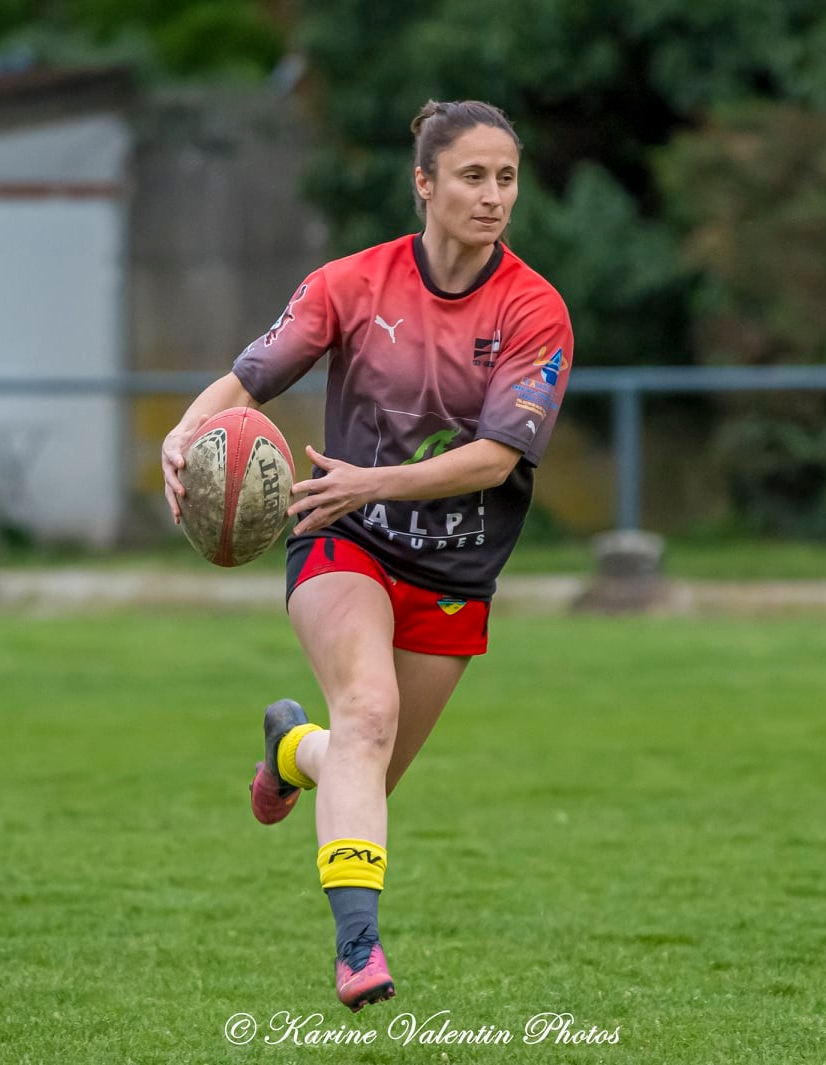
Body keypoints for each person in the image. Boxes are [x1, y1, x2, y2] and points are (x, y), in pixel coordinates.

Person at [160, 99, 573, 1012]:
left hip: (456, 572)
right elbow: (249, 378)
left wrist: (371, 481)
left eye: (506, 177)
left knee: (361, 769)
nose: (493, 195)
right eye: (472, 175)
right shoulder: (351, 283)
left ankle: (291, 749)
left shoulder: (534, 310)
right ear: (424, 182)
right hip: (342, 538)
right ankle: (359, 949)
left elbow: (495, 459)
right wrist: (185, 432)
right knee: (369, 712)